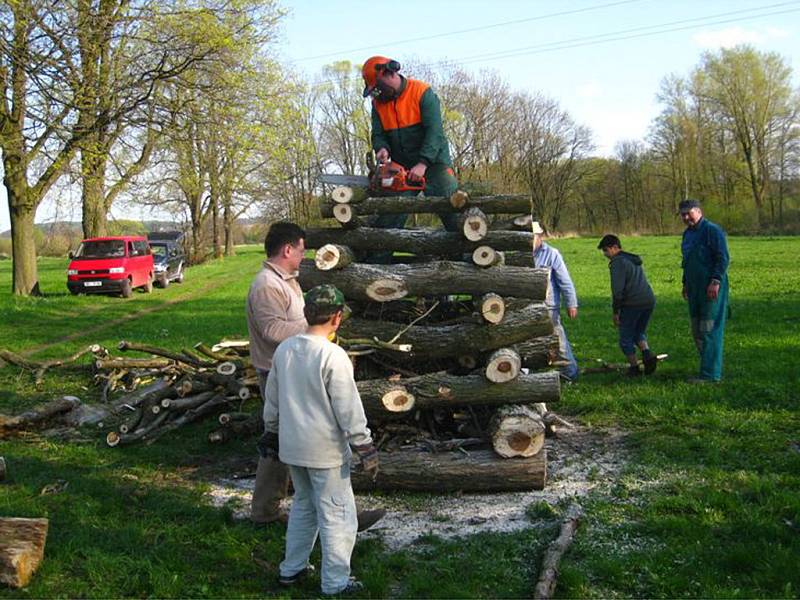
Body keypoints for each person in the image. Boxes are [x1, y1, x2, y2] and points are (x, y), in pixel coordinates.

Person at [246, 222, 384, 531]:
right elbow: (272, 331)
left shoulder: (286, 280)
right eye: (300, 249)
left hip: (297, 363)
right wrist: (317, 328)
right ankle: (271, 511)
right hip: (280, 370)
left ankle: (314, 508)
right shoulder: (267, 285)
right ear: (287, 249)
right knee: (285, 440)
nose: (303, 255)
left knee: (292, 440)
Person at [264, 284, 378, 596]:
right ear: (337, 318)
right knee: (338, 516)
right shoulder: (333, 356)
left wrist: (271, 431)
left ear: (305, 313)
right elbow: (348, 407)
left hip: (292, 448)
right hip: (325, 452)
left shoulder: (284, 350)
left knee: (303, 506)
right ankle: (335, 583)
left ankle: (293, 568)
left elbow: (271, 399)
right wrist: (364, 444)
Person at [361, 55, 459, 262]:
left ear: (390, 73)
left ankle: (469, 261)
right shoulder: (378, 104)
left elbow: (435, 132)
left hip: (433, 163)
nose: (376, 93)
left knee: (452, 207)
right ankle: (378, 266)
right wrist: (382, 149)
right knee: (390, 214)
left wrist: (423, 163)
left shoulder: (422, 92)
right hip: (401, 167)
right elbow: (378, 133)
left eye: (378, 87)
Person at [679, 199, 730, 383]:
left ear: (699, 211)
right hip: (694, 289)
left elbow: (723, 257)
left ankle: (710, 375)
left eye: (689, 213)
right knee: (697, 330)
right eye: (682, 214)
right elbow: (687, 261)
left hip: (711, 288)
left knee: (709, 329)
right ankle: (708, 366)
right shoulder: (687, 235)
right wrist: (685, 283)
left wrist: (715, 281)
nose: (686, 217)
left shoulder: (712, 231)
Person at [597, 234, 658, 377]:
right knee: (638, 332)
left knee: (625, 338)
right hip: (648, 300)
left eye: (606, 250)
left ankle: (634, 368)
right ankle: (648, 356)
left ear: (614, 247)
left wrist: (616, 312)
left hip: (633, 303)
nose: (605, 254)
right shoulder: (632, 259)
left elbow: (618, 291)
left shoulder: (617, 263)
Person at [532, 221, 579, 380]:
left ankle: (570, 373)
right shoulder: (520, 254)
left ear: (540, 237)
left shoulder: (552, 254)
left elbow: (565, 281)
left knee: (558, 342)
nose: (530, 240)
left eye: (533, 236)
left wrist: (571, 303)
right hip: (525, 306)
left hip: (548, 307)